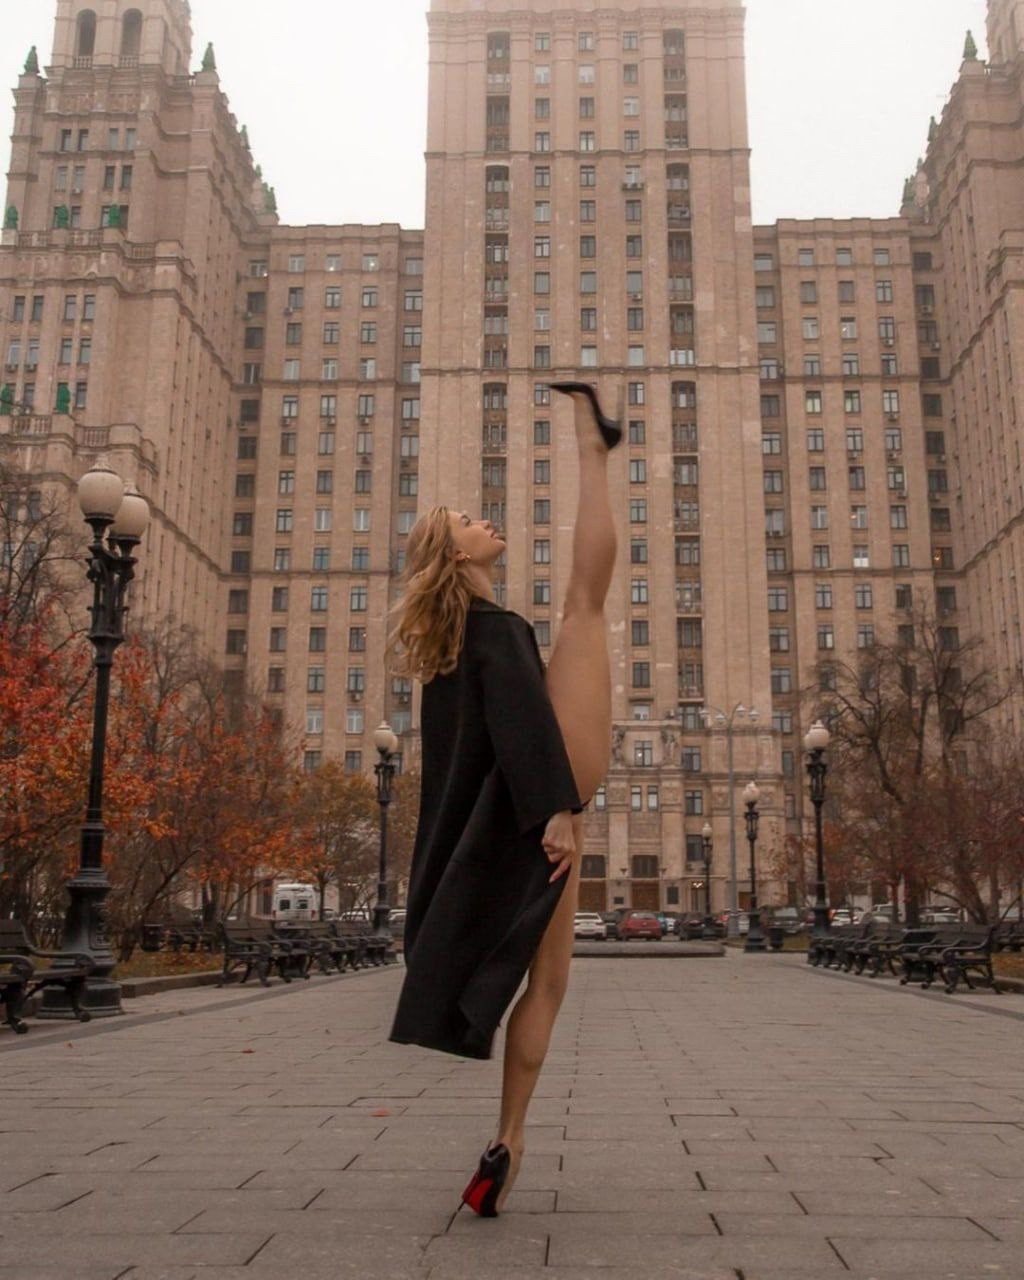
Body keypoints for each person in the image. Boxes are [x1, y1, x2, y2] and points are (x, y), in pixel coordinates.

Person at [388, 382, 620, 1217]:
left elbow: (458, 769)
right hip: (546, 797)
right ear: (454, 556)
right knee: (585, 607)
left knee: (548, 984)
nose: (482, 522)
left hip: (522, 811)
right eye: (465, 522)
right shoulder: (496, 630)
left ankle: (509, 1142)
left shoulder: (451, 650)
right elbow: (523, 720)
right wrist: (556, 811)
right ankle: (595, 445)